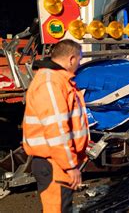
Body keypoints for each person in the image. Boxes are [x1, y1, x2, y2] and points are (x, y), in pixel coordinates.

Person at [22, 39, 89, 212]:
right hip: (54, 164)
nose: (79, 64)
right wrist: (70, 165)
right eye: (79, 60)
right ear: (71, 59)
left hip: (54, 161)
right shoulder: (51, 83)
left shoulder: (55, 80)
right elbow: (57, 130)